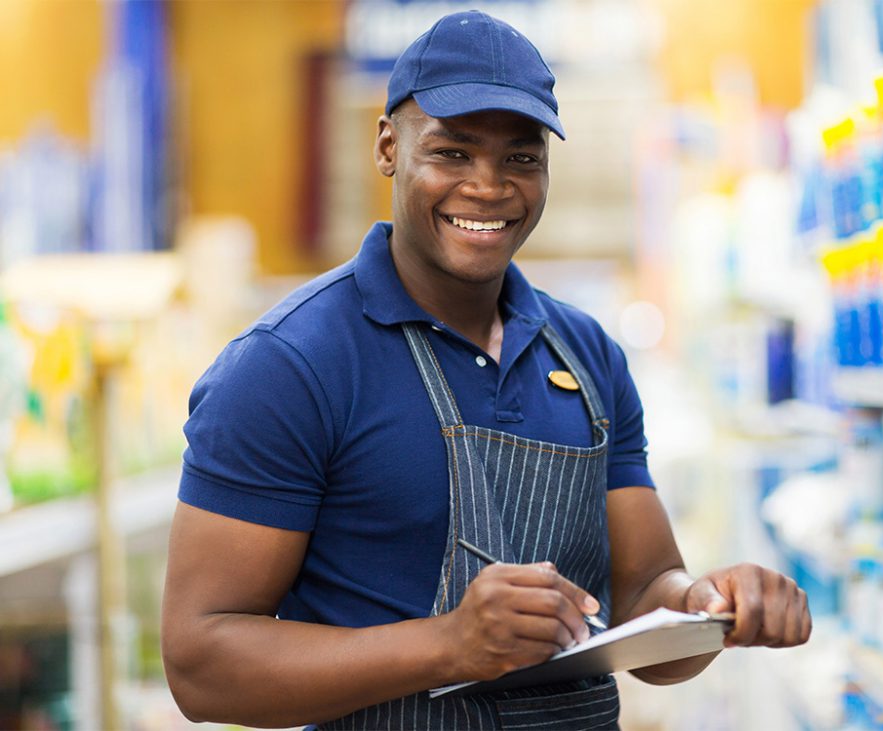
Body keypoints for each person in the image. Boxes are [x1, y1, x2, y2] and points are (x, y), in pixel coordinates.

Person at [161, 10, 811, 730]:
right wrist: (448, 644)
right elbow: (202, 664)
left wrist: (708, 604)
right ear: (387, 146)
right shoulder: (290, 364)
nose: (489, 186)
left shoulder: (587, 355)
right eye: (452, 152)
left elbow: (647, 600)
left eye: (521, 158)